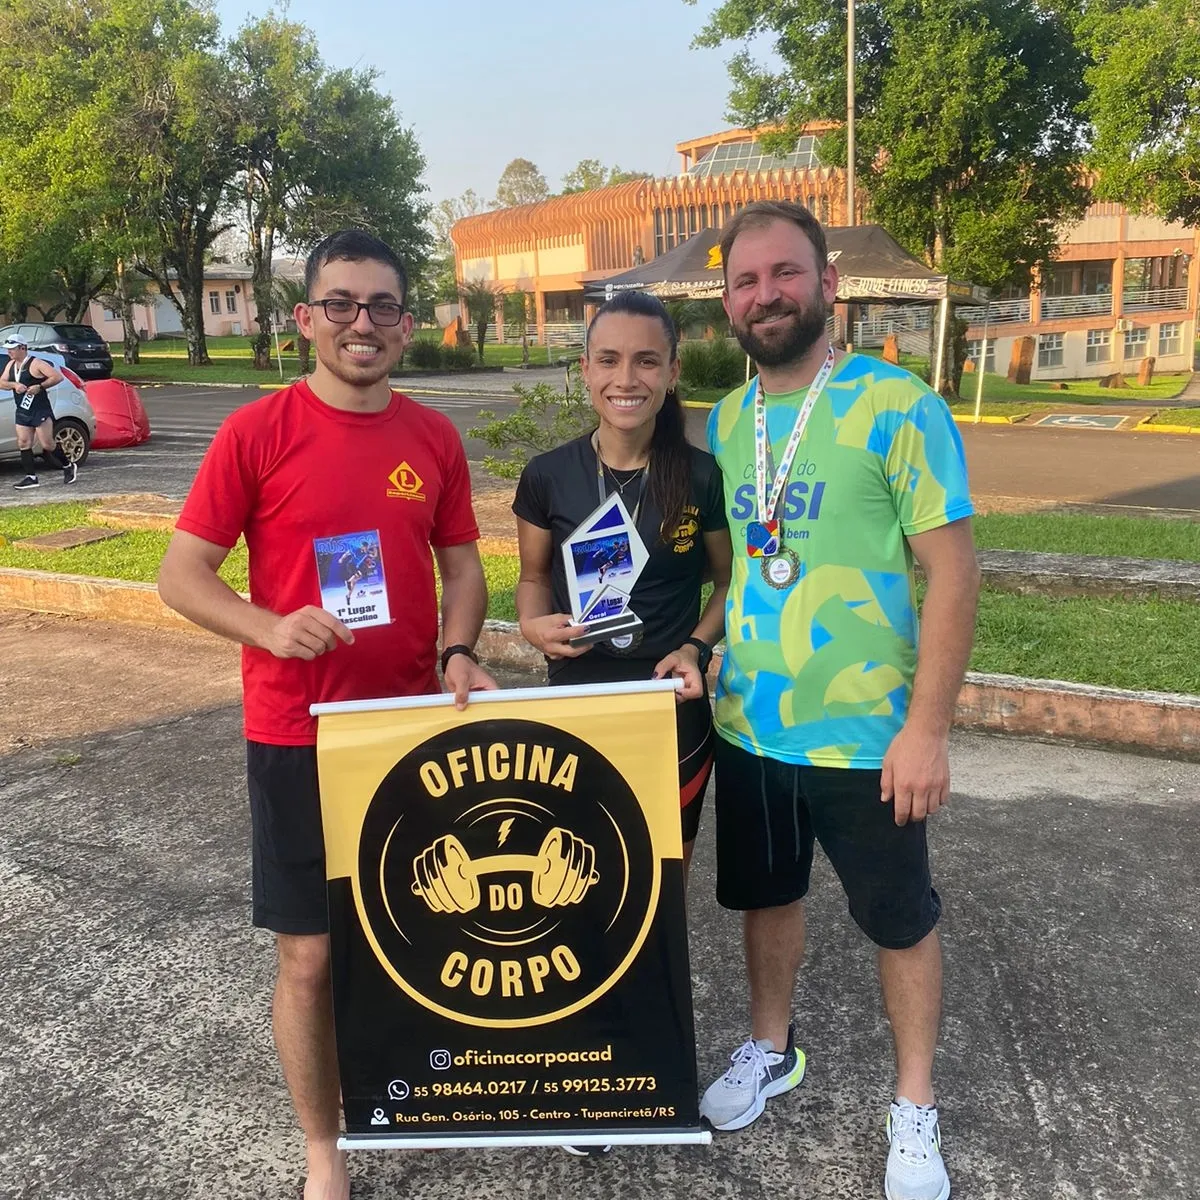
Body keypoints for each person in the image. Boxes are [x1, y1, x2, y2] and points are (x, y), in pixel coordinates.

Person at [157, 229, 497, 1200]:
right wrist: (266, 626)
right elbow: (181, 574)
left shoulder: (433, 439)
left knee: (423, 928)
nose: (362, 323)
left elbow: (463, 564)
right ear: (305, 318)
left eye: (382, 306)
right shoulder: (255, 432)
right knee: (308, 959)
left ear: (405, 323)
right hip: (298, 736)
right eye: (341, 304)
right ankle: (323, 1150)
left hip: (411, 735)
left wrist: (460, 649)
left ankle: (422, 1091)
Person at [700, 200, 979, 1200]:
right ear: (727, 300)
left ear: (828, 286)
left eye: (784, 273)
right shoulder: (729, 422)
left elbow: (952, 573)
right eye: (745, 280)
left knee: (900, 919)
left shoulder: (900, 405)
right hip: (752, 730)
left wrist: (928, 729)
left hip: (872, 742)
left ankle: (914, 1106)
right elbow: (730, 577)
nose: (764, 294)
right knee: (766, 901)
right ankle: (772, 1049)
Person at [513, 289, 733, 881]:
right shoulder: (547, 476)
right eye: (608, 359)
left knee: (661, 883)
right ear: (584, 370)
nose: (626, 378)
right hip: (575, 705)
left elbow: (727, 583)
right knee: (570, 877)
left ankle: (659, 978)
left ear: (672, 371)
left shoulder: (701, 475)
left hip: (670, 707)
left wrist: (695, 646)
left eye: (646, 360)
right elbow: (533, 577)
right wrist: (534, 626)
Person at [0, 334, 77, 488]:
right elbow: (2, 382)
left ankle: (68, 465)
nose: (9, 352)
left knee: (47, 444)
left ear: (22, 348)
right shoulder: (11, 365)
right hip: (23, 409)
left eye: (12, 349)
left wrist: (40, 387)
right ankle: (31, 477)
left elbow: (57, 377)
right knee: (23, 442)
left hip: (40, 409)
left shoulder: (36, 363)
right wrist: (14, 385)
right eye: (8, 350)